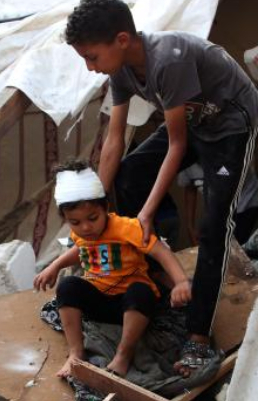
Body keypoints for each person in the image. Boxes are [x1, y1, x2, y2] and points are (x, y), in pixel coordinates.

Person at [63, 0, 258, 376]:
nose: (91, 68)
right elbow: (114, 139)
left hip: (231, 129)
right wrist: (95, 207)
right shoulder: (120, 70)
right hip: (194, 126)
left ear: (122, 40)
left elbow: (176, 146)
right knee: (129, 173)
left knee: (214, 226)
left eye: (92, 57)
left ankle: (198, 338)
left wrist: (145, 212)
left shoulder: (168, 60)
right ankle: (153, 272)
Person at [34, 160, 192, 379]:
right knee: (68, 286)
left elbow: (160, 251)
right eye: (75, 222)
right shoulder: (80, 233)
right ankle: (76, 353)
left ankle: (123, 355)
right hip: (100, 301)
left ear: (105, 208)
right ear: (67, 220)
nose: (86, 227)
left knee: (142, 290)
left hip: (132, 305)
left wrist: (181, 282)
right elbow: (80, 249)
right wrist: (55, 265)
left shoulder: (126, 228)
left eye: (92, 218)